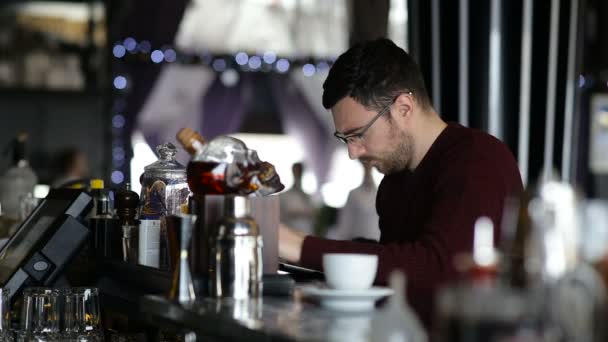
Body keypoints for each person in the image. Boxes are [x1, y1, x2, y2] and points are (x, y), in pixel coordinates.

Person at [278, 38, 523, 327]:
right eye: (345, 138)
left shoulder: (477, 159)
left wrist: (298, 245)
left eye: (358, 134)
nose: (352, 152)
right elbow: (398, 280)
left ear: (404, 107)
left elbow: (439, 274)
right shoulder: (394, 183)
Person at [328, 161, 380, 241]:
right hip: (356, 240)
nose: (368, 172)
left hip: (376, 240)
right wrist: (342, 240)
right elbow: (345, 220)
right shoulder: (353, 194)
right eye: (366, 168)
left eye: (370, 168)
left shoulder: (379, 194)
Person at [279, 162, 316, 235]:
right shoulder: (285, 196)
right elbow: (283, 215)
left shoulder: (307, 196)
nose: (299, 174)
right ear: (293, 172)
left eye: (300, 171)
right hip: (292, 233)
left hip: (307, 233)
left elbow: (313, 214)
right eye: (297, 171)